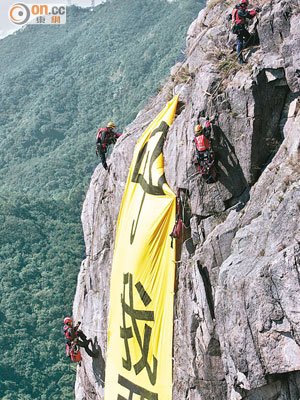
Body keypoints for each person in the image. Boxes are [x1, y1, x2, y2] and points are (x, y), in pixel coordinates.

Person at [232, 0, 261, 64]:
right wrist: (255, 11)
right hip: (239, 28)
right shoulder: (240, 11)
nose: (246, 7)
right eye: (245, 5)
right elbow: (248, 15)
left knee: (248, 36)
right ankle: (240, 59)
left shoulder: (237, 8)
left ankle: (240, 47)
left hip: (238, 27)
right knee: (240, 42)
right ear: (243, 4)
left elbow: (246, 12)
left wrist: (253, 11)